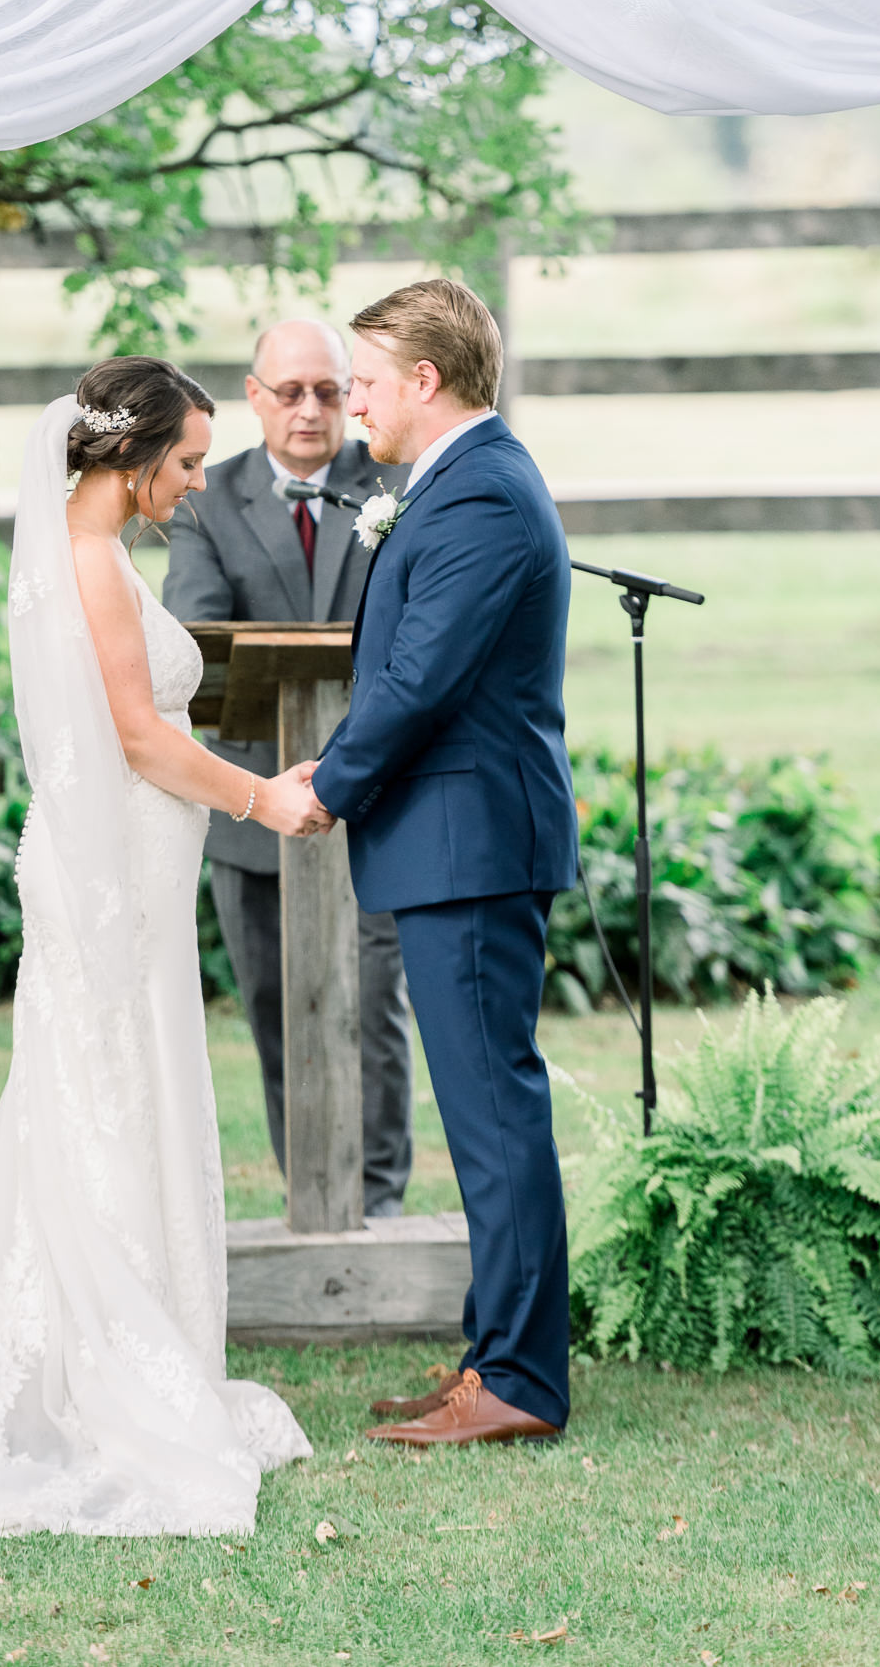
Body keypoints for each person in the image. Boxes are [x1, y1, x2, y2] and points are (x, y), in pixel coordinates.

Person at [0, 358, 318, 1541]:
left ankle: (129, 1335)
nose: (197, 486)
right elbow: (142, 740)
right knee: (107, 1093)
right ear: (134, 452)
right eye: (190, 463)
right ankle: (108, 1364)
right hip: (110, 883)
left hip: (119, 874)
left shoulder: (74, 548)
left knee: (109, 1092)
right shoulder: (92, 564)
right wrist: (266, 801)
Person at [303, 281, 580, 1448]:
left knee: (492, 1115)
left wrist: (323, 784)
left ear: (424, 381)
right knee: (481, 1111)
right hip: (451, 843)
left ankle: (516, 1379)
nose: (350, 397)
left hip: (470, 846)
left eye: (364, 379)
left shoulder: (483, 497)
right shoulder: (457, 482)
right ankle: (493, 1355)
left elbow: (417, 678)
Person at [163, 317, 413, 1217]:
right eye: (290, 391)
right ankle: (312, 1187)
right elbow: (199, 638)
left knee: (375, 1003)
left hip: (378, 793)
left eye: (328, 390)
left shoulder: (398, 484)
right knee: (274, 1005)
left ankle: (377, 1199)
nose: (310, 410)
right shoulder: (205, 498)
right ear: (254, 397)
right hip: (255, 797)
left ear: (351, 395)